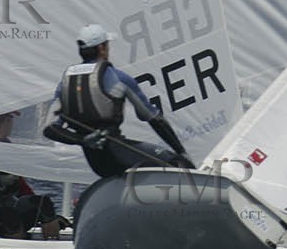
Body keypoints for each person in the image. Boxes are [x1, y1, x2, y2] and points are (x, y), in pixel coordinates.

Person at [44, 24, 195, 179]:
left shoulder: (65, 84)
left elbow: (50, 129)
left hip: (98, 165)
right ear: (102, 47)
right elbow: (154, 118)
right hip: (120, 156)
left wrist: (83, 140)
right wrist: (181, 152)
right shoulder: (118, 78)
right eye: (107, 45)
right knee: (179, 163)